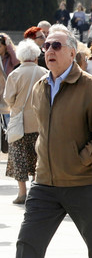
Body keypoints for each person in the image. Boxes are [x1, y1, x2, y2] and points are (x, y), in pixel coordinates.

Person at [15, 27, 92, 258]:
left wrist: (82, 159)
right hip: (45, 184)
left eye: (56, 45)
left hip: (84, 183)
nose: (49, 50)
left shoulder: (91, 87)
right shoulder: (39, 87)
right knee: (27, 246)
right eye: (46, 46)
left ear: (72, 53)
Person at [5, 40, 48, 204]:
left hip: (20, 124)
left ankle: (22, 193)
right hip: (39, 122)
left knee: (19, 157)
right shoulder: (44, 72)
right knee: (38, 157)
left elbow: (8, 98)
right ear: (36, 55)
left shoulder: (15, 74)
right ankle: (36, 190)